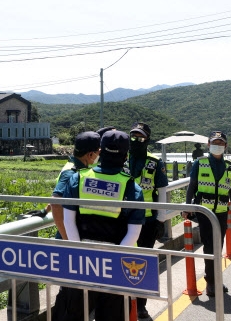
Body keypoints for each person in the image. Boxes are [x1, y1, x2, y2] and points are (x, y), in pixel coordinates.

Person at [61, 130, 145, 321]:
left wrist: (79, 253)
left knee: (75, 312)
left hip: (80, 263)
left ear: (100, 151)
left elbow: (68, 221)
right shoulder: (132, 188)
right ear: (126, 155)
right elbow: (133, 234)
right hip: (114, 267)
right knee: (112, 314)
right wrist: (113, 262)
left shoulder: (78, 178)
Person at [181, 131, 231, 297]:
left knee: (218, 246)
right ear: (208, 144)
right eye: (215, 143)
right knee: (209, 246)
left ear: (225, 146)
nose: (218, 146)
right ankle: (211, 282)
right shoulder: (200, 163)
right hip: (204, 212)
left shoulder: (229, 166)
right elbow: (191, 186)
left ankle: (216, 278)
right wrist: (188, 207)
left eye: (221, 143)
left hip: (221, 212)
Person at [128, 122, 168, 320]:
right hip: (124, 220)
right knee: (123, 260)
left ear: (147, 139)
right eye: (133, 136)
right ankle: (126, 302)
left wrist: (161, 219)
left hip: (148, 220)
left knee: (144, 262)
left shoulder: (155, 162)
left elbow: (161, 193)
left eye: (140, 137)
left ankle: (142, 304)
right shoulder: (121, 158)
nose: (136, 140)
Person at [51, 131, 101, 240]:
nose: (99, 155)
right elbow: (55, 203)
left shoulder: (81, 169)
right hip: (70, 240)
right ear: (91, 154)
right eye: (98, 152)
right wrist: (67, 239)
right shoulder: (71, 173)